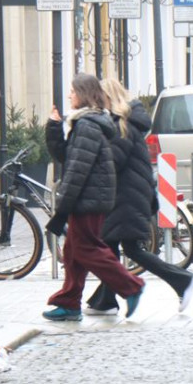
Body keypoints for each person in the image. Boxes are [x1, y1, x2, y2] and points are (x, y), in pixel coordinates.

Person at [82, 78, 193, 316]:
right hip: (129, 195)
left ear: (108, 98)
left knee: (130, 249)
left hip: (126, 198)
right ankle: (105, 300)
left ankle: (182, 280)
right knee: (110, 248)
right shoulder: (126, 123)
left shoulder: (121, 126)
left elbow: (113, 161)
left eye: (100, 99)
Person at [41, 73, 145, 322]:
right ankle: (69, 302)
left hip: (88, 199)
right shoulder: (85, 123)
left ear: (83, 95)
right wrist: (54, 128)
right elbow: (68, 157)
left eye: (73, 92)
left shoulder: (87, 125)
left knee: (87, 249)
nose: (69, 96)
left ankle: (131, 286)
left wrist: (64, 204)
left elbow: (78, 169)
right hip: (90, 197)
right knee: (73, 252)